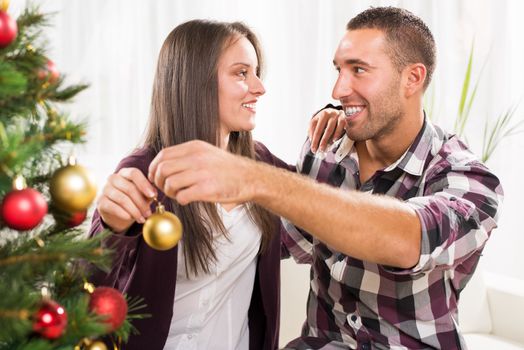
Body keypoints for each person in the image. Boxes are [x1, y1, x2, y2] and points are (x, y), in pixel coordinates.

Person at [146, 7, 503, 350]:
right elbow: (263, 238)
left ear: (412, 78)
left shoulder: (467, 178)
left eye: (359, 70)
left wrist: (256, 179)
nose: (338, 90)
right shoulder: (325, 152)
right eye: (339, 70)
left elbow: (406, 239)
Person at [88, 20, 294, 350]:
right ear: (196, 82)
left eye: (256, 72)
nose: (259, 87)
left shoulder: (261, 166)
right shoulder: (143, 172)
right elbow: (89, 293)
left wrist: (338, 121)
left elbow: (321, 201)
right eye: (242, 73)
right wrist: (111, 230)